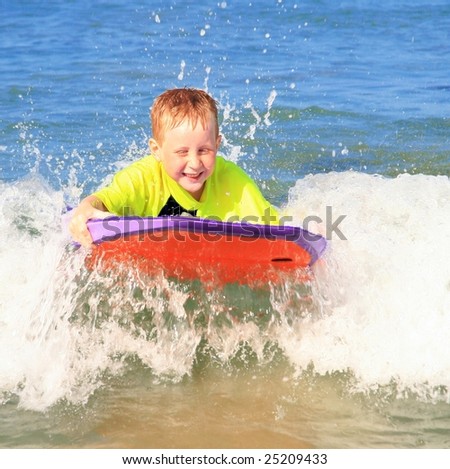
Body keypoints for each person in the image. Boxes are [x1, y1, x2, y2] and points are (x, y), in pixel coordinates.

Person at [69, 88, 280, 247]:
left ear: (217, 144)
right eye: (182, 152)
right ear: (157, 150)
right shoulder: (144, 177)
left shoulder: (234, 181)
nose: (195, 163)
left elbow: (275, 228)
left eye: (204, 150)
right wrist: (85, 208)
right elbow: (104, 200)